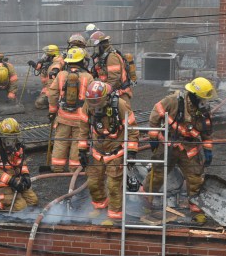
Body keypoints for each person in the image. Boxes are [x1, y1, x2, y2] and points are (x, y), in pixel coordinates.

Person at [144, 77, 216, 223]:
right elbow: (155, 113)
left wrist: (208, 150)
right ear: (194, 95)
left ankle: (197, 211)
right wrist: (153, 136)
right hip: (168, 145)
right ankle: (146, 204)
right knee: (156, 175)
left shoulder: (203, 111)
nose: (204, 101)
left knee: (195, 179)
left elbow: (207, 132)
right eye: (202, 98)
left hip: (189, 149)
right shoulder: (173, 101)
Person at [84, 80, 139, 222]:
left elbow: (132, 129)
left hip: (116, 152)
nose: (94, 105)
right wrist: (81, 150)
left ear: (106, 97)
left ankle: (115, 216)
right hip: (97, 152)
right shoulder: (89, 106)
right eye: (91, 101)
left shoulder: (120, 105)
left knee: (113, 186)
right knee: (93, 183)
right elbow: (82, 128)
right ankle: (100, 206)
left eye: (96, 101)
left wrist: (132, 151)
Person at [47, 48, 94, 172]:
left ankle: (57, 167)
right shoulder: (88, 77)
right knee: (77, 142)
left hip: (63, 117)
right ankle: (74, 168)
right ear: (82, 61)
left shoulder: (61, 75)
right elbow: (92, 98)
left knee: (60, 141)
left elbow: (52, 94)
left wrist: (52, 111)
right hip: (80, 119)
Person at [0, 118, 37, 211]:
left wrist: (25, 174)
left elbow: (20, 161)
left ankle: (11, 196)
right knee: (20, 207)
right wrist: (11, 181)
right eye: (11, 137)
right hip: (0, 183)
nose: (14, 140)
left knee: (33, 201)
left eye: (15, 136)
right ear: (2, 136)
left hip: (15, 179)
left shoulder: (16, 143)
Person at [89, 31, 134, 102]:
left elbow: (114, 79)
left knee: (122, 110)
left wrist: (102, 92)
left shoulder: (111, 57)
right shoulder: (101, 58)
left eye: (95, 47)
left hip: (120, 94)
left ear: (101, 46)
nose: (94, 50)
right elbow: (97, 73)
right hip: (110, 92)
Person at [28, 44, 64, 110]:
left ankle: (55, 104)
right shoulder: (48, 63)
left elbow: (57, 67)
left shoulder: (58, 62)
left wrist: (55, 70)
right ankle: (53, 102)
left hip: (55, 89)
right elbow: (42, 70)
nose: (45, 56)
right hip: (47, 87)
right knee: (40, 101)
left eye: (47, 54)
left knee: (39, 103)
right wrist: (34, 65)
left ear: (52, 55)